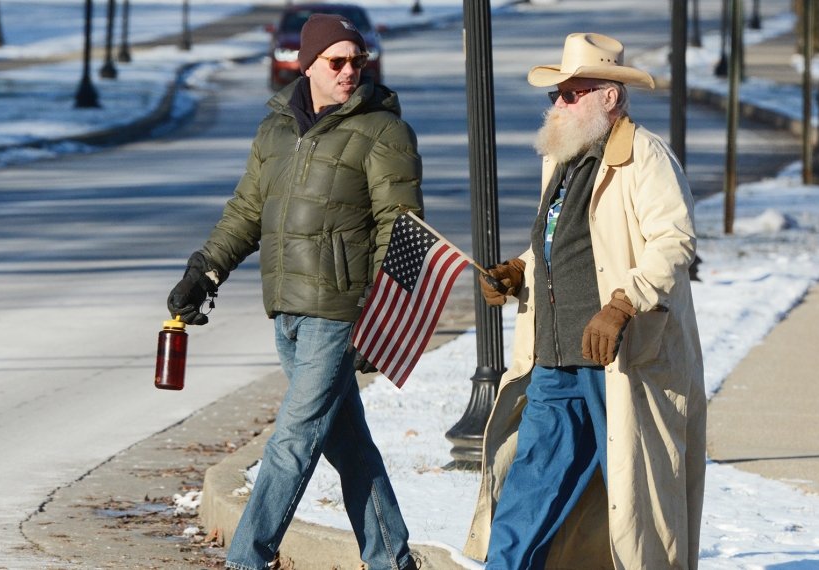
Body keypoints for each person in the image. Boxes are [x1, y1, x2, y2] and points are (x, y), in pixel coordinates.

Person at [166, 13, 423, 570]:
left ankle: (246, 559)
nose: (351, 71)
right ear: (308, 65)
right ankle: (392, 559)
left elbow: (402, 231)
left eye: (358, 60)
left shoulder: (383, 131)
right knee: (348, 447)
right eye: (337, 62)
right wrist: (204, 271)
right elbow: (246, 213)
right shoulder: (276, 130)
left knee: (292, 440)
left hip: (338, 312)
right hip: (287, 312)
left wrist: (378, 318)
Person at [462, 33, 706, 569]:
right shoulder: (565, 158)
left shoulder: (643, 155)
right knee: (528, 487)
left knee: (635, 504)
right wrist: (519, 269)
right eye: (557, 94)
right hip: (554, 358)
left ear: (609, 97)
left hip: (619, 359)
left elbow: (674, 241)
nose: (558, 104)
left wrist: (623, 304)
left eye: (571, 93)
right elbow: (558, 239)